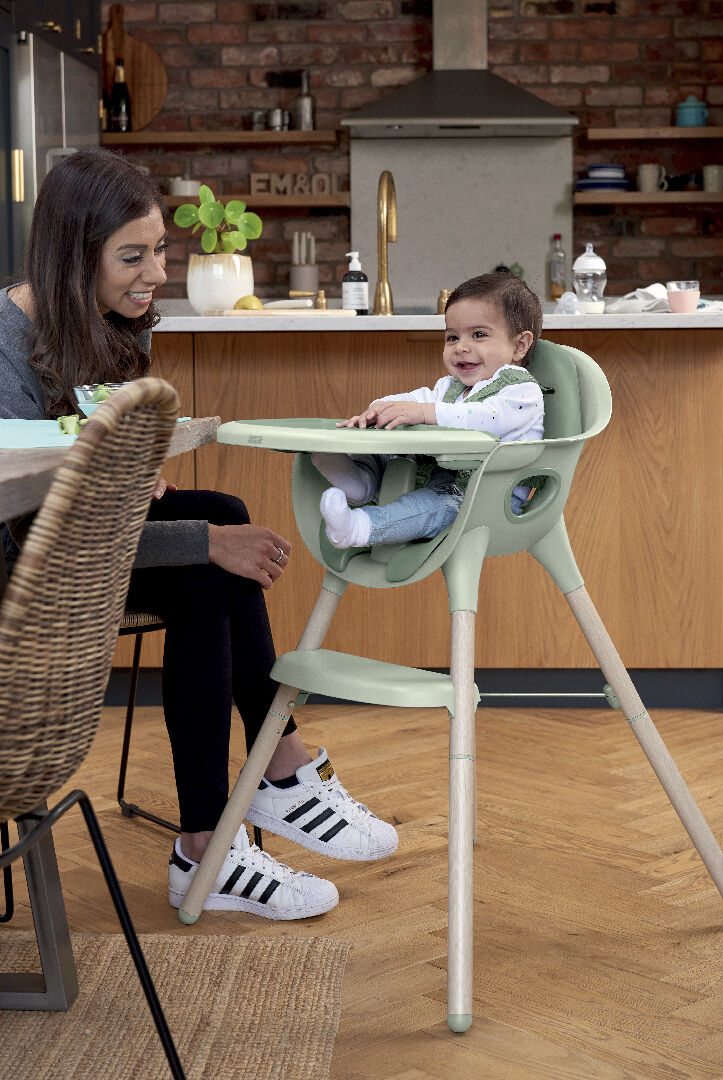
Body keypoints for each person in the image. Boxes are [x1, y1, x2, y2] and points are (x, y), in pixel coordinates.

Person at [0, 148, 397, 922]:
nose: (155, 273)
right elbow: (32, 539)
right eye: (132, 256)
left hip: (78, 540)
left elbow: (94, 471)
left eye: (159, 250)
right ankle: (253, 797)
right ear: (72, 256)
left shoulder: (110, 320)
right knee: (211, 554)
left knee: (220, 510)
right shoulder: (3, 349)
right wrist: (200, 543)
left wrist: (138, 473)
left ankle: (233, 819)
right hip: (24, 571)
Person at [315, 273, 544, 550]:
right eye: (452, 337)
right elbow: (414, 399)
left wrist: (425, 413)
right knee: (391, 450)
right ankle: (360, 480)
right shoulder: (451, 387)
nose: (461, 347)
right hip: (442, 482)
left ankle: (361, 527)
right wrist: (381, 408)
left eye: (479, 335)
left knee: (429, 506)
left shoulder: (521, 390)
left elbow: (486, 419)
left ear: (519, 345)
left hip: (487, 501)